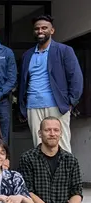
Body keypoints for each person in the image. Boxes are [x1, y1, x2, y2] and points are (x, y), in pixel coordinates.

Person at [19, 117, 91, 203]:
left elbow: (76, 192)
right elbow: (27, 193)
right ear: (40, 133)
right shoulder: (27, 158)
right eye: (47, 130)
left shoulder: (71, 160)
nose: (52, 133)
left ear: (61, 133)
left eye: (56, 130)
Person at [18, 15, 83, 153]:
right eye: (37, 29)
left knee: (62, 145)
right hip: (32, 106)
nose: (40, 31)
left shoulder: (64, 50)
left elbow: (76, 78)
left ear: (52, 30)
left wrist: (70, 102)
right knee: (39, 147)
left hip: (57, 105)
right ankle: (43, 175)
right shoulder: (27, 55)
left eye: (44, 28)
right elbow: (23, 82)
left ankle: (64, 175)